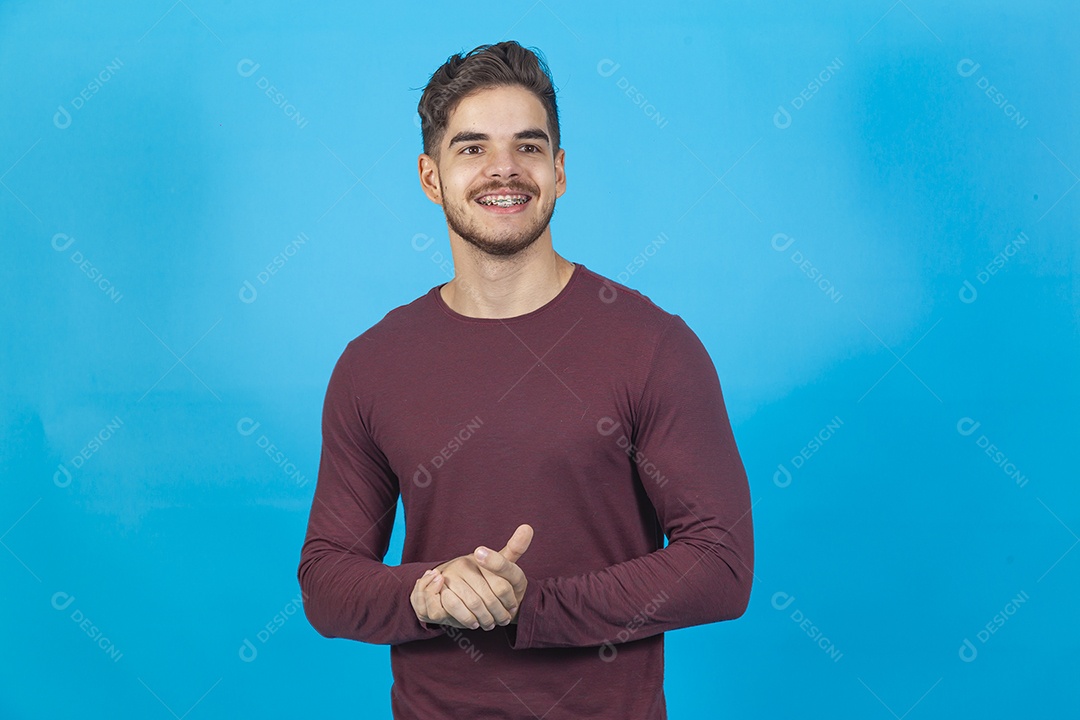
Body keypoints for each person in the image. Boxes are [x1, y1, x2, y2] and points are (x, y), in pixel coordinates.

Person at [297, 40, 754, 719]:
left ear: (560, 170)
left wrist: (530, 605)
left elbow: (722, 565)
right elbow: (326, 580)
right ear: (430, 177)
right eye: (472, 148)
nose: (504, 170)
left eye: (529, 147)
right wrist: (427, 593)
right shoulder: (373, 363)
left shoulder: (654, 345)